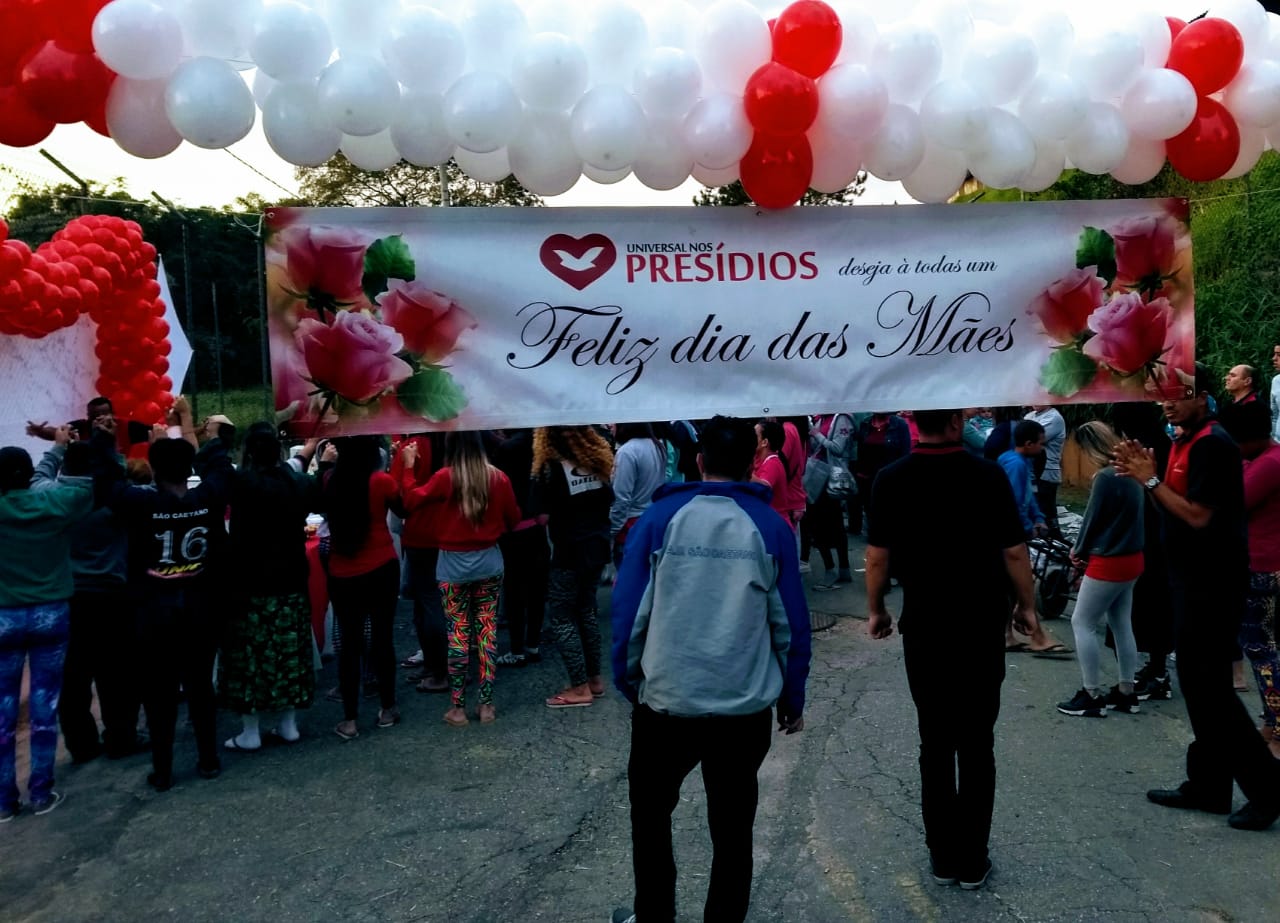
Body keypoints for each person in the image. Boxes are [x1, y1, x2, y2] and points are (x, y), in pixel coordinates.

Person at [609, 416, 811, 923]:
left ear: (697, 460)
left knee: (650, 819)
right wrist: (791, 696)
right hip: (742, 708)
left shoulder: (659, 519)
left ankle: (653, 915)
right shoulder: (771, 527)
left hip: (667, 700)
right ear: (752, 461)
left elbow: (629, 613)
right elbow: (790, 626)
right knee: (733, 827)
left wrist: (628, 678)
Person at [865, 409, 1043, 890]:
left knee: (935, 743)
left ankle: (943, 857)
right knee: (977, 743)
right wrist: (1027, 607)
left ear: (915, 421)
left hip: (925, 626)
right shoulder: (986, 475)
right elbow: (1014, 550)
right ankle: (972, 859)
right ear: (960, 419)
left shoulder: (891, 478)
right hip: (981, 625)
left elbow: (877, 555)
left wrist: (877, 608)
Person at [1113, 363, 1280, 831]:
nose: (1167, 400)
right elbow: (1170, 504)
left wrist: (1149, 481)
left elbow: (1199, 516)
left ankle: (1267, 790)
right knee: (1200, 689)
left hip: (1213, 585)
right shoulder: (1185, 439)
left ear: (1202, 396)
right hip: (1187, 580)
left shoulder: (1212, 443)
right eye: (1162, 392)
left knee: (1212, 691)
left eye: (1178, 392)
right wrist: (1141, 477)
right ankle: (1208, 785)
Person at [91, 425, 234, 792]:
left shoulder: (142, 504)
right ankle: (208, 760)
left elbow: (107, 485)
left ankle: (164, 770)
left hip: (154, 615)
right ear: (189, 470)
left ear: (153, 470)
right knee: (201, 687)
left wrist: (105, 443)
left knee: (159, 695)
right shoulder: (206, 498)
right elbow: (222, 472)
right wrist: (207, 438)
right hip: (200, 612)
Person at [0, 433, 94, 819]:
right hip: (51, 613)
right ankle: (41, 792)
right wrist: (59, 447)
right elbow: (88, 482)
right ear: (28, 475)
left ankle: (4, 801)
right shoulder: (57, 503)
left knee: (3, 707)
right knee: (44, 704)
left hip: (3, 617)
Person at [31, 439, 140, 764]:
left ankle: (81, 744)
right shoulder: (115, 498)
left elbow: (38, 476)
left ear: (66, 465)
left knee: (73, 677)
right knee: (117, 673)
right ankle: (121, 737)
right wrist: (109, 454)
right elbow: (123, 475)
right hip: (112, 595)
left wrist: (57, 447)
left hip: (65, 598)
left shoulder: (48, 496)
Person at [403, 432, 520, 726]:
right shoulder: (498, 478)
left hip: (452, 565)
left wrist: (407, 467)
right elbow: (514, 518)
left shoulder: (445, 477)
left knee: (458, 634)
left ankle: (458, 708)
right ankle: (487, 705)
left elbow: (412, 499)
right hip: (489, 562)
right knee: (486, 633)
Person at [220, 423, 318, 751]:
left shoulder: (240, 484)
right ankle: (288, 724)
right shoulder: (296, 483)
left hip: (250, 585)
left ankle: (251, 731)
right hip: (290, 579)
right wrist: (312, 449)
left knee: (250, 658)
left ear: (248, 452)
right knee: (289, 653)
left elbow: (212, 464)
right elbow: (301, 472)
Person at [1056, 423, 1145, 718]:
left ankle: (1091, 692)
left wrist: (1078, 551)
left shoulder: (1106, 478)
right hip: (1133, 556)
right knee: (1121, 622)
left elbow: (1092, 519)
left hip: (1109, 559)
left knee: (1082, 622)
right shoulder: (1131, 471)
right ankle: (1126, 690)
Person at [323, 436, 403, 741]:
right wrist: (404, 469)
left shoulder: (331, 479)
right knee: (382, 638)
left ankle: (350, 719)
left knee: (349, 644)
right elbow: (404, 508)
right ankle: (387, 707)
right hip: (381, 565)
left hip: (343, 572)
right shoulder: (381, 481)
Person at [530, 425, 615, 709]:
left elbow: (541, 517)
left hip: (569, 550)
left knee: (563, 615)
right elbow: (609, 499)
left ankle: (579, 687)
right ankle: (594, 680)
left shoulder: (549, 467)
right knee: (587, 610)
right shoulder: (598, 460)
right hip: (598, 545)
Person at [1217, 400, 1280, 759]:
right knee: (1261, 648)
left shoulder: (1269, 464)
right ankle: (1270, 723)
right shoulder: (1261, 458)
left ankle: (1279, 730)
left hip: (1260, 567)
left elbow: (1232, 500)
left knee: (1261, 651)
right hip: (1258, 563)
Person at [392, 433, 450, 692]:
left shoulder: (411, 447)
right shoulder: (449, 441)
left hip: (419, 534)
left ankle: (439, 670)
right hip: (447, 531)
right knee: (432, 601)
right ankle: (435, 665)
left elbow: (399, 498)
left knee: (428, 602)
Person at [492, 429, 551, 668]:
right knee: (537, 589)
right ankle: (533, 644)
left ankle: (517, 649)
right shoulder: (542, 445)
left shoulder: (506, 450)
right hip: (538, 527)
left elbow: (497, 489)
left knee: (515, 591)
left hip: (513, 529)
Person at [807, 411, 856, 588]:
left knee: (825, 524)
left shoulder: (840, 418)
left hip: (830, 478)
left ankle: (834, 569)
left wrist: (816, 434)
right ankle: (840, 569)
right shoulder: (822, 418)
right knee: (827, 524)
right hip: (819, 475)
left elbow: (837, 447)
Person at [609, 423, 667, 568]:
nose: (610, 425)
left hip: (629, 527)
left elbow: (621, 497)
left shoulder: (627, 452)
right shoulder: (658, 446)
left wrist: (612, 530)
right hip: (652, 519)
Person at [997, 420, 1047, 541]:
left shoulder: (1018, 459)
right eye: (1041, 444)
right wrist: (1028, 527)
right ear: (1029, 444)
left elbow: (1027, 494)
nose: (1042, 448)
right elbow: (1014, 502)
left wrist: (1038, 518)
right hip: (1011, 530)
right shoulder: (1016, 465)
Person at [1024, 406, 1066, 535]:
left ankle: (1056, 545)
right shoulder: (1030, 416)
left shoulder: (1054, 418)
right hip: (1031, 471)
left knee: (1046, 514)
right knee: (1034, 512)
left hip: (1047, 471)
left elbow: (1029, 439)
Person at [1270, 343, 1280, 443]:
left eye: (1279, 355)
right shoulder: (1276, 381)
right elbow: (1274, 415)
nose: (1274, 358)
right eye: (1275, 354)